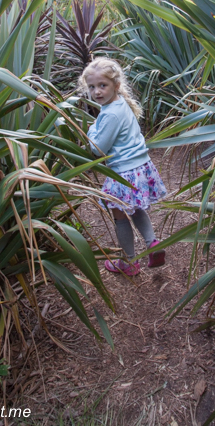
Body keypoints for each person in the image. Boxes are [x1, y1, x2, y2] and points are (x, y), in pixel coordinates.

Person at [79, 57, 167, 277]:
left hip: (123, 173)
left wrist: (90, 131)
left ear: (116, 85)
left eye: (102, 85)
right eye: (92, 87)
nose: (96, 91)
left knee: (120, 215)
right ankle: (152, 243)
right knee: (135, 208)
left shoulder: (110, 114)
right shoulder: (120, 104)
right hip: (140, 166)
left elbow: (97, 149)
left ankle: (128, 262)